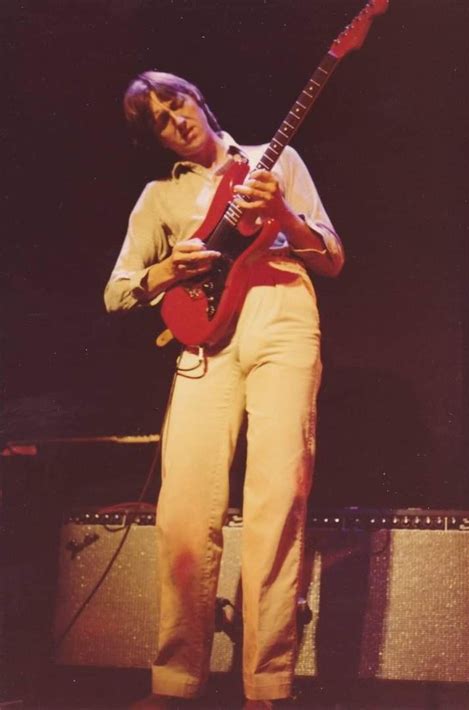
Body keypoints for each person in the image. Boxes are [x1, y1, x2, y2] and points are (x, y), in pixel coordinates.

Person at [104, 71, 344, 709]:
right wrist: (165, 269)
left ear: (199, 100)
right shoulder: (158, 198)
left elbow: (333, 255)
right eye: (157, 119)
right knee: (184, 507)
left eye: (175, 102)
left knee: (276, 499)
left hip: (281, 315)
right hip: (205, 339)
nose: (174, 119)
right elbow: (116, 291)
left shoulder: (275, 159)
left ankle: (266, 685)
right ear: (154, 138)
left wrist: (282, 215)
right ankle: (176, 680)